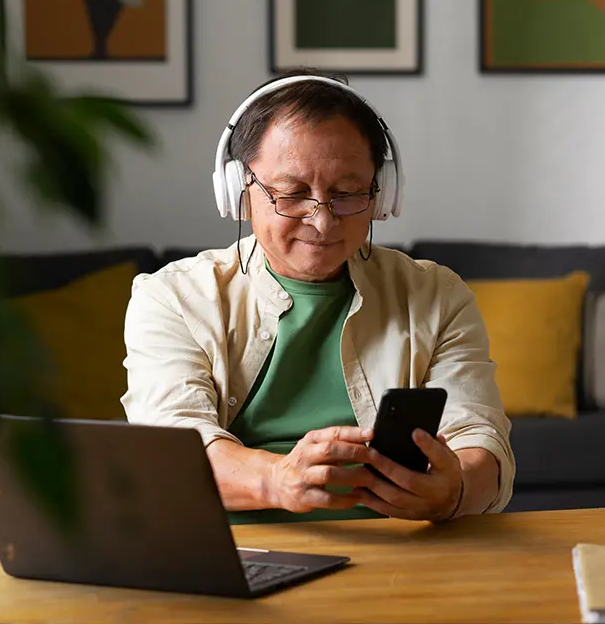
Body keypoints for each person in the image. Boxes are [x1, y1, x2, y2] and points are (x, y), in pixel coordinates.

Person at [120, 69, 515, 524]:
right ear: (238, 190)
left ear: (382, 193)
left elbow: (480, 439)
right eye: (291, 194)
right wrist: (277, 478)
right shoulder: (172, 297)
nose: (323, 222)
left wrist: (457, 488)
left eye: (348, 194)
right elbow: (174, 449)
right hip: (236, 555)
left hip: (399, 560)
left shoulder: (436, 295)